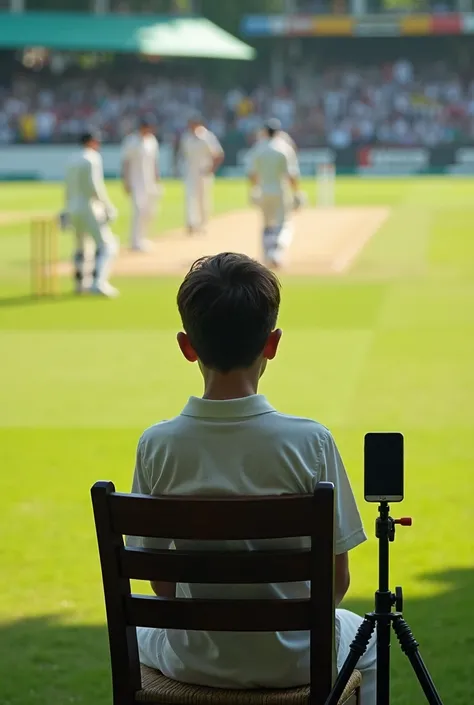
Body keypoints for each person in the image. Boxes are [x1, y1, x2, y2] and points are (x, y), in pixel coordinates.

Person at [127, 252, 376, 704]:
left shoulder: (156, 446)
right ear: (272, 343)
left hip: (194, 659)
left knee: (143, 628)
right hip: (299, 660)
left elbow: (161, 587)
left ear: (187, 346)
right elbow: (336, 585)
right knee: (372, 638)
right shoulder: (311, 442)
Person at [64, 131, 119, 297]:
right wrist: (107, 206)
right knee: (108, 245)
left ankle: (81, 283)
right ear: (91, 142)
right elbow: (95, 185)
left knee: (81, 247)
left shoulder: (72, 159)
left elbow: (67, 188)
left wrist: (66, 211)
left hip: (73, 207)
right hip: (89, 207)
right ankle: (99, 283)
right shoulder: (92, 158)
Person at [247, 118, 302, 269]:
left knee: (266, 225)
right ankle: (276, 253)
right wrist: (297, 192)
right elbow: (291, 174)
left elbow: (252, 173)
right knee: (284, 224)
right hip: (280, 191)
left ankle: (266, 255)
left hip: (263, 191)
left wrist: (253, 190)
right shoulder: (284, 148)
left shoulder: (258, 148)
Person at [179, 115, 224, 235]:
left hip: (204, 172)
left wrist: (211, 169)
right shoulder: (186, 137)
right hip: (190, 172)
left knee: (203, 199)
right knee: (190, 197)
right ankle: (191, 223)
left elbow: (218, 154)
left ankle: (202, 224)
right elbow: (184, 154)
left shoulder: (207, 136)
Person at [121, 118, 161, 252]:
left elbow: (154, 161)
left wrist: (157, 177)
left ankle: (143, 238)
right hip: (136, 182)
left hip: (150, 182)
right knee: (139, 210)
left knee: (150, 211)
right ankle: (135, 241)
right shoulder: (131, 141)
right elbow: (126, 162)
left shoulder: (152, 141)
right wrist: (126, 181)